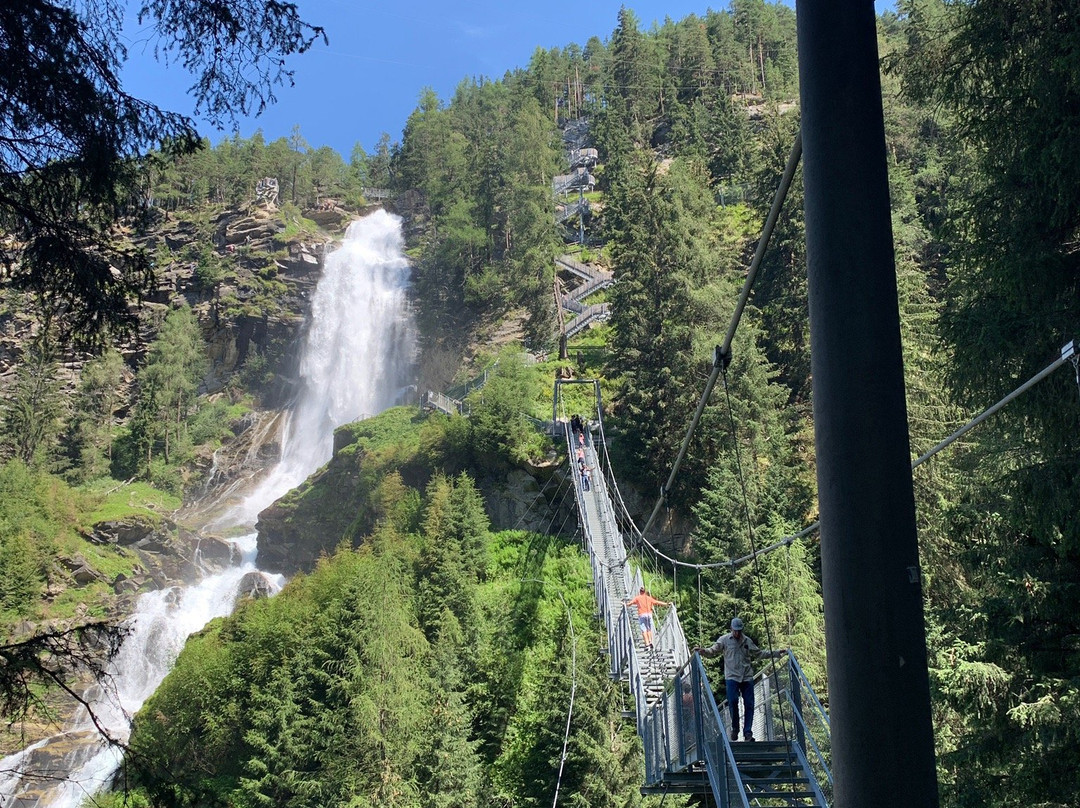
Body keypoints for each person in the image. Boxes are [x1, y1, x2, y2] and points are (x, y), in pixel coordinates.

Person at [694, 617, 787, 742]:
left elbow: (759, 653)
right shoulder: (724, 640)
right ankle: (735, 728)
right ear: (731, 629)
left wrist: (776, 653)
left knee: (749, 704)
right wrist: (703, 651)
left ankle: (747, 733)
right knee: (732, 701)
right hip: (732, 677)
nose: (737, 633)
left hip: (746, 676)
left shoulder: (747, 641)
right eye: (735, 630)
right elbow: (713, 650)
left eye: (739, 630)